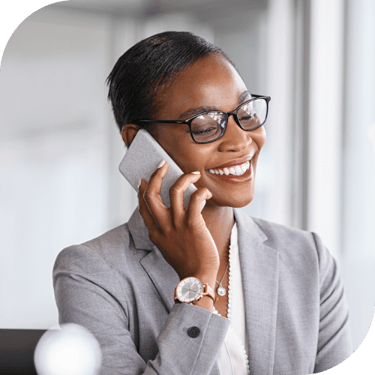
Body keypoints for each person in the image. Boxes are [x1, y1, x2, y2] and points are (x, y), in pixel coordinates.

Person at [53, 31, 352, 375]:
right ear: (139, 143)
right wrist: (198, 283)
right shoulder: (90, 273)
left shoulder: (309, 260)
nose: (242, 141)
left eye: (246, 111)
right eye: (206, 125)